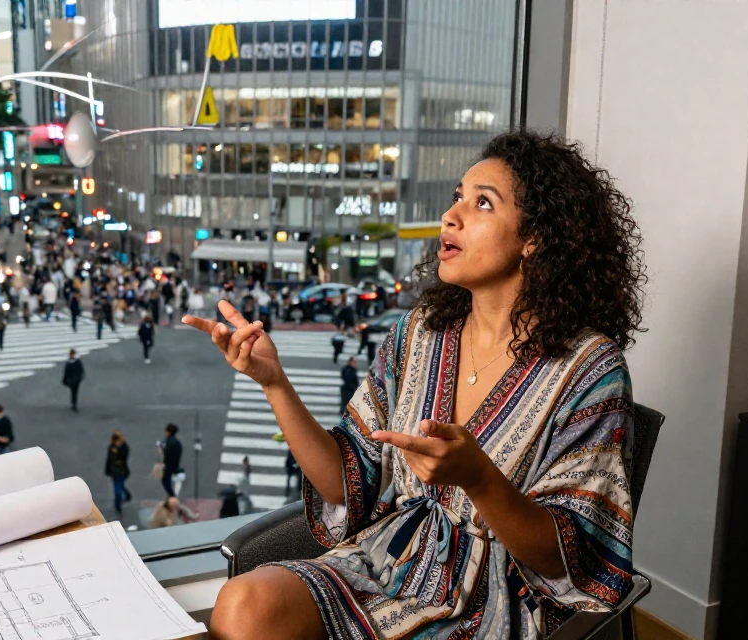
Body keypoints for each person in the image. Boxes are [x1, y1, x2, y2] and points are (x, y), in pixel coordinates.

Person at [188, 131, 645, 639]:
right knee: (241, 606)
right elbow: (346, 483)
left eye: (482, 203)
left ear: (534, 237)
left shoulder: (590, 369)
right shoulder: (420, 332)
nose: (451, 216)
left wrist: (481, 480)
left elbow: (570, 558)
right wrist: (273, 383)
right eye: (457, 197)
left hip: (496, 602)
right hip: (386, 564)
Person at [104, 430, 133, 514]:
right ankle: (127, 496)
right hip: (114, 472)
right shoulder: (111, 447)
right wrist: (107, 470)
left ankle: (118, 506)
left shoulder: (125, 448)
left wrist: (118, 450)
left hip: (122, 472)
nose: (117, 443)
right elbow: (109, 459)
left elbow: (124, 457)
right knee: (119, 487)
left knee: (117, 490)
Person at [158, 424, 182, 498]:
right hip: (174, 464)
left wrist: (161, 450)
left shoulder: (168, 441)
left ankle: (172, 496)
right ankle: (171, 495)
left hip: (168, 465)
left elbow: (165, 452)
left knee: (165, 481)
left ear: (168, 432)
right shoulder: (177, 442)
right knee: (168, 479)